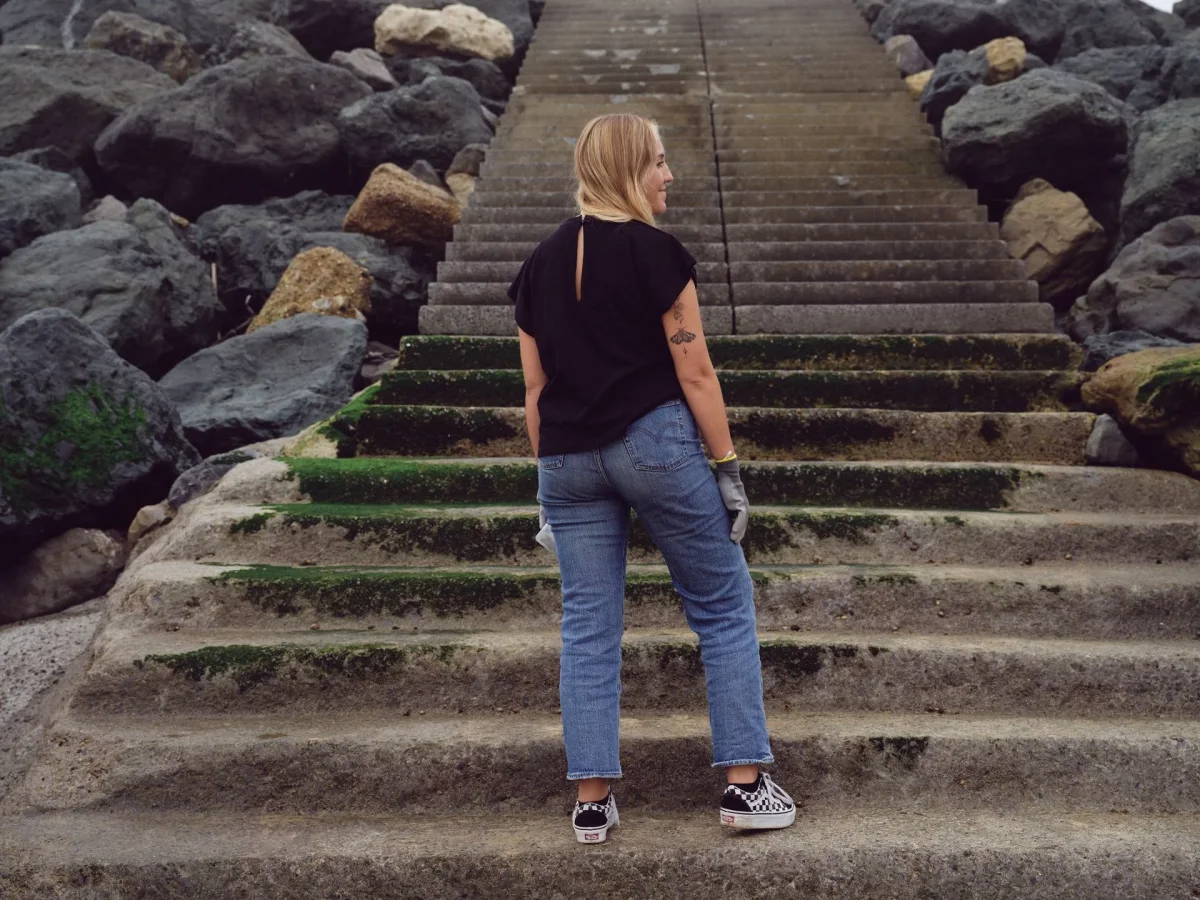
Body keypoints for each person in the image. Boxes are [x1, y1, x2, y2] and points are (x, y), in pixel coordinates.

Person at [507, 113, 796, 844]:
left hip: (566, 460)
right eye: (659, 162)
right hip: (654, 444)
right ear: (629, 169)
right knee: (723, 605)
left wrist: (547, 487)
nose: (669, 175)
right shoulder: (657, 253)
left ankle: (593, 800)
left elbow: (535, 394)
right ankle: (744, 786)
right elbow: (694, 370)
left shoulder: (538, 264)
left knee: (588, 625)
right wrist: (727, 467)